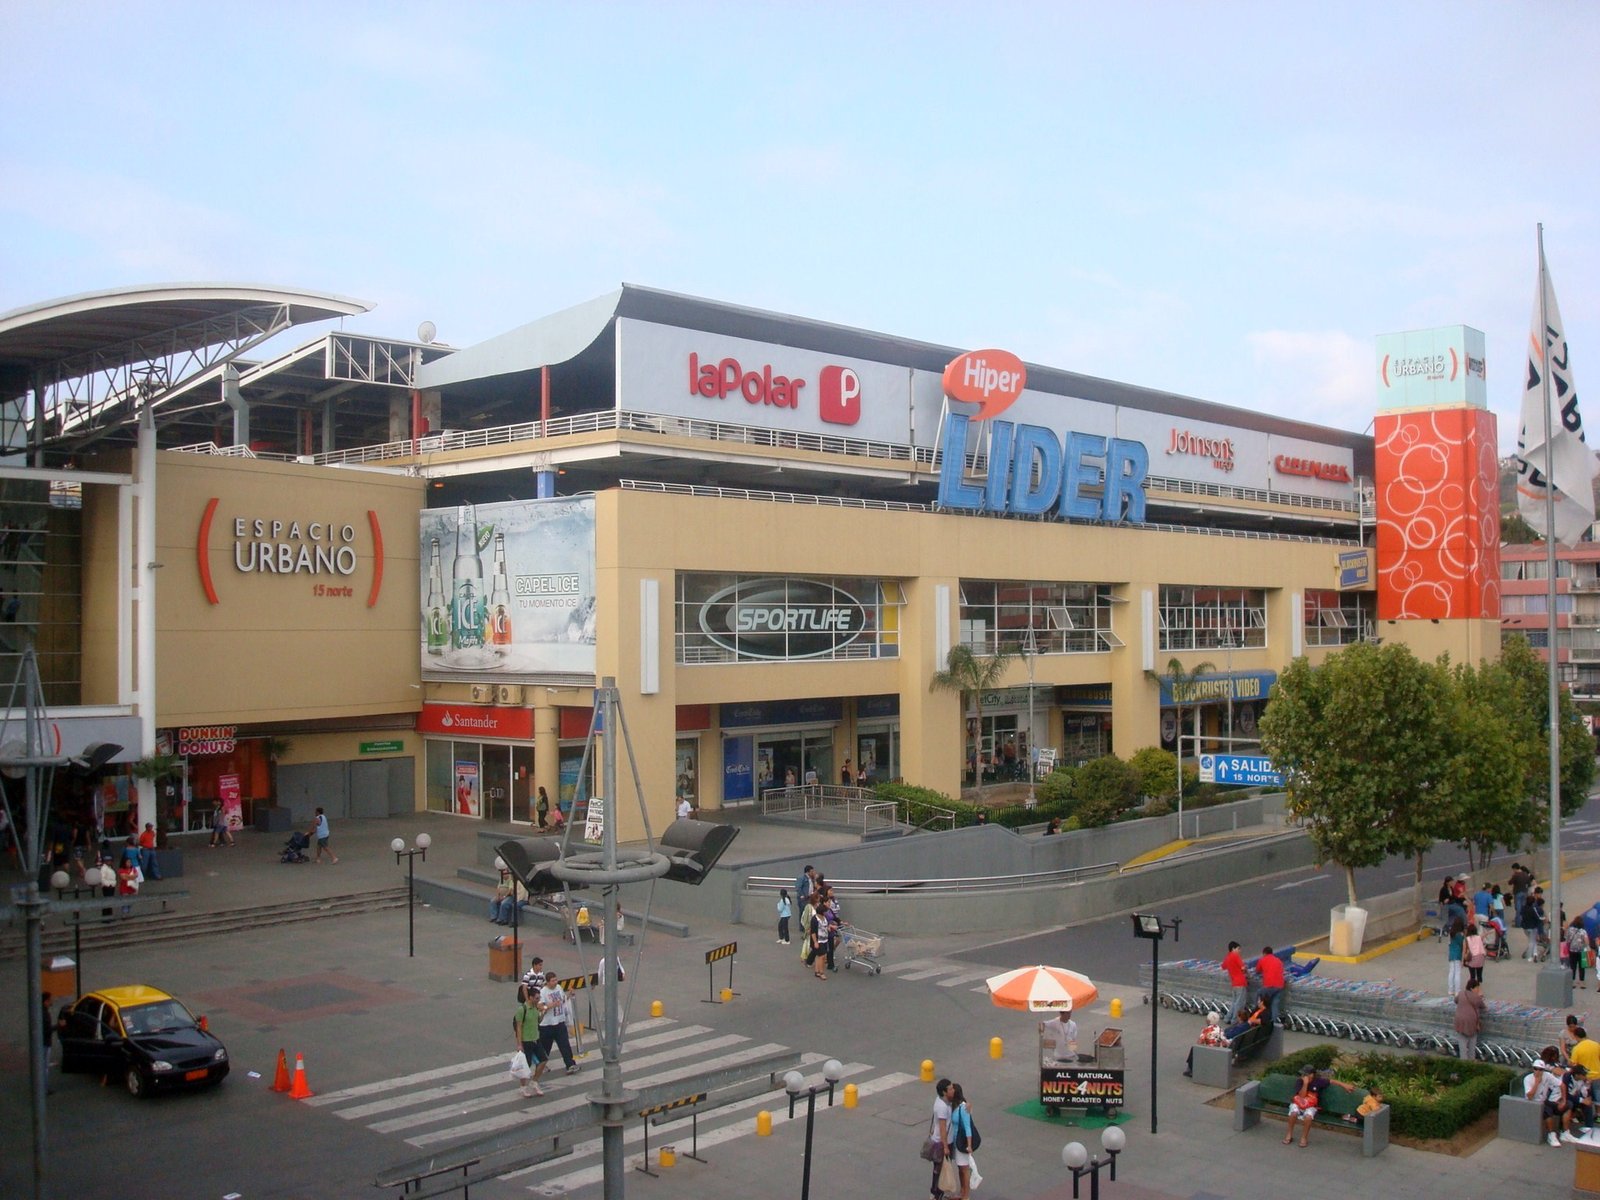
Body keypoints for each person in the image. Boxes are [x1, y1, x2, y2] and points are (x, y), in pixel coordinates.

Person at [536, 972, 579, 1074]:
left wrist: (569, 995)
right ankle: (540, 1064)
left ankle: (570, 1064)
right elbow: (540, 1006)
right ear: (547, 982)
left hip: (559, 1022)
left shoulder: (559, 988)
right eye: (553, 981)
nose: (555, 982)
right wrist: (551, 1005)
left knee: (564, 1044)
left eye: (556, 980)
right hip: (547, 1025)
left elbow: (563, 1000)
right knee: (545, 1047)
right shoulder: (543, 992)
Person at [511, 980, 546, 1098]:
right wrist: (519, 1044)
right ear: (530, 998)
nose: (538, 1000)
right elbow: (519, 1027)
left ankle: (534, 1081)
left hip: (536, 1038)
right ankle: (523, 1087)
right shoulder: (522, 1010)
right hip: (526, 1040)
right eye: (536, 998)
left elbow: (538, 1021)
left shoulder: (536, 1008)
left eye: (539, 998)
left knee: (543, 1060)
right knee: (526, 1065)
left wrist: (543, 1013)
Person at [943, 1082, 977, 1200]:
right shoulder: (954, 1106)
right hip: (956, 1142)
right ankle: (962, 1191)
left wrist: (969, 1145)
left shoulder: (962, 1107)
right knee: (960, 1168)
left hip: (962, 1143)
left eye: (952, 1090)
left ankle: (966, 1195)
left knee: (964, 1168)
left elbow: (968, 1127)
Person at [1282, 1064, 1330, 1146]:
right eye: (1302, 1074)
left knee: (1308, 1117)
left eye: (1305, 1074)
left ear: (1312, 1075)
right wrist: (1305, 1084)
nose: (1303, 1076)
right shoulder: (1300, 1081)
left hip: (1311, 1106)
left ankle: (1304, 1137)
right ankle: (1289, 1134)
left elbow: (1331, 1081)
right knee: (1293, 1113)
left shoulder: (1318, 1081)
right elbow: (1301, 1096)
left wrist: (1345, 1086)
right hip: (1299, 1102)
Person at [927, 1077, 952, 1200]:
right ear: (944, 1092)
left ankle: (937, 1191)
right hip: (940, 1141)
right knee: (939, 1167)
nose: (953, 1090)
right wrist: (945, 1146)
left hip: (938, 1139)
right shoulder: (942, 1106)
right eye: (950, 1089)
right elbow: (943, 1127)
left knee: (939, 1167)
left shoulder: (940, 1100)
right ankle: (936, 1192)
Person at [1183, 1011, 1230, 1076]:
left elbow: (1199, 1043)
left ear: (1208, 1021)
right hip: (1219, 1051)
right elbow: (1223, 1040)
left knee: (1193, 1048)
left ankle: (1190, 1068)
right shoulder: (1219, 1029)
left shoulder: (1206, 1030)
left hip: (1209, 1052)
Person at [1454, 977, 1485, 1061]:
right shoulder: (1476, 997)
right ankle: (1471, 1059)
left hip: (1459, 1021)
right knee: (1472, 1042)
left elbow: (1455, 1000)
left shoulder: (1461, 993)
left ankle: (1463, 1060)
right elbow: (1483, 1006)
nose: (1478, 990)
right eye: (1477, 988)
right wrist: (1480, 996)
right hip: (1471, 1022)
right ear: (1472, 988)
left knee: (1462, 1043)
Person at [1256, 947, 1287, 1027]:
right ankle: (1274, 1023)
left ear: (1264, 953)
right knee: (1275, 1004)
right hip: (1280, 986)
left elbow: (1257, 970)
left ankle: (1256, 1015)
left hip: (1269, 985)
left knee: (1259, 994)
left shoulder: (1262, 960)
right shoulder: (1278, 960)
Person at [1221, 940, 1248, 1024]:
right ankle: (1235, 1020)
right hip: (1240, 982)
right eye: (1238, 948)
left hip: (1234, 983)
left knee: (1234, 1002)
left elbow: (1223, 966)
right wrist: (1245, 970)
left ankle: (1227, 1018)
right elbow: (1243, 968)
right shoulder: (1235, 956)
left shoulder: (1228, 957)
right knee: (1239, 1003)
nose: (1240, 951)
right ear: (1233, 948)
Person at [1568, 919, 1593, 989]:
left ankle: (1572, 982)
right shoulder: (1583, 931)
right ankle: (1582, 983)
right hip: (1581, 951)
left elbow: (1568, 940)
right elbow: (1587, 942)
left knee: (1573, 966)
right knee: (1582, 967)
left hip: (1572, 950)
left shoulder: (1570, 930)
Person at [1445, 915, 1465, 996]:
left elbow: (1449, 943)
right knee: (1457, 973)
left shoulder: (1451, 933)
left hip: (1451, 954)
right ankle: (1457, 991)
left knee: (1451, 972)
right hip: (1458, 955)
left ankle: (1450, 990)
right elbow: (1463, 946)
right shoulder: (1460, 935)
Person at [1463, 921, 1487, 987]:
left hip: (1472, 959)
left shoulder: (1467, 939)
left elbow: (1464, 951)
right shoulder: (1479, 937)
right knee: (1479, 974)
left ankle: (1473, 988)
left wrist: (1463, 961)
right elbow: (1484, 936)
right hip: (1481, 958)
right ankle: (1479, 987)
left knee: (1472, 975)